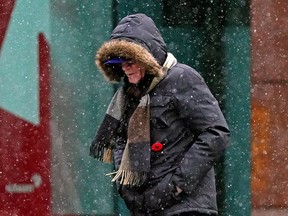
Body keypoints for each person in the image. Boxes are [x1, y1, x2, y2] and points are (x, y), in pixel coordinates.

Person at [90, 13, 230, 216]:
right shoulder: (129, 93)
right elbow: (121, 139)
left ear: (147, 57)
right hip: (147, 207)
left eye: (129, 60)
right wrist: (126, 188)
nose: (124, 67)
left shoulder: (182, 78)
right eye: (118, 61)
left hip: (187, 207)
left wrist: (176, 185)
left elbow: (216, 133)